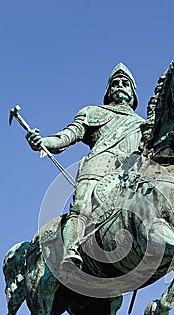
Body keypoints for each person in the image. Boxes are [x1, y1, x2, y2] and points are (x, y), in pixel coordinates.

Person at [26, 63, 144, 269]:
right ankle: (71, 249)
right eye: (115, 83)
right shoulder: (92, 112)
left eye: (125, 83)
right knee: (81, 206)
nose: (120, 86)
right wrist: (44, 141)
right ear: (108, 91)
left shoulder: (144, 125)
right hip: (98, 167)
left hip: (131, 174)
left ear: (133, 93)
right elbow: (67, 136)